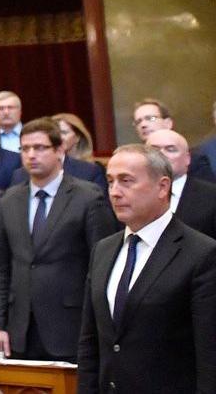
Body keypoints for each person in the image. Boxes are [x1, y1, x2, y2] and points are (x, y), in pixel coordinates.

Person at [77, 144, 216, 394]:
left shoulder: (201, 253)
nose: (114, 192)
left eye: (126, 181)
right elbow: (91, 344)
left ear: (163, 186)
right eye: (110, 182)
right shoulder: (104, 250)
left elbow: (210, 355)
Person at [0, 118, 116, 360]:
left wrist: (98, 326)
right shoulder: (9, 200)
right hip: (21, 329)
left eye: (39, 148)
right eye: (25, 149)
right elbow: (2, 269)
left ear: (59, 151)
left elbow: (102, 266)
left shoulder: (88, 197)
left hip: (71, 325)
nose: (31, 155)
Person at [146, 128, 216, 238]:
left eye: (170, 149)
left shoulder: (212, 196)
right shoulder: (129, 194)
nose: (161, 155)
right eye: (154, 150)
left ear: (187, 159)